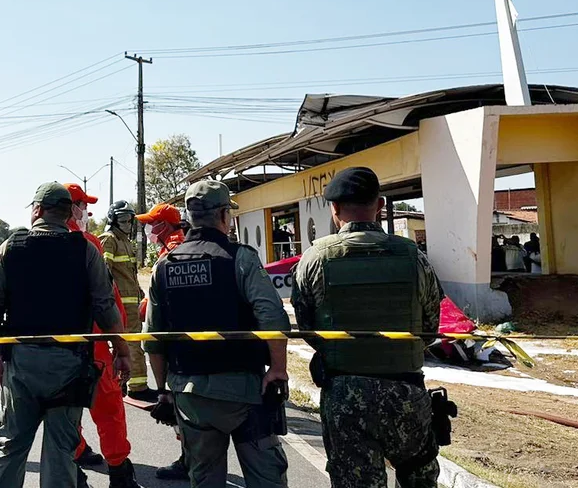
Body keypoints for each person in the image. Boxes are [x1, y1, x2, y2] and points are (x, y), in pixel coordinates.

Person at [291, 167, 443, 488]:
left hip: (345, 395)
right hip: (407, 392)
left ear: (334, 209)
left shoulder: (316, 258)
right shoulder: (414, 256)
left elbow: (307, 326)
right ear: (381, 205)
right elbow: (430, 327)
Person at [145, 180, 292, 488]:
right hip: (245, 391)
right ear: (225, 216)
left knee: (205, 479)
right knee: (267, 478)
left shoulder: (164, 267)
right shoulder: (241, 258)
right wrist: (278, 369)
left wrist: (164, 390)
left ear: (190, 216)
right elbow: (272, 316)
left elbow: (153, 339)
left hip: (190, 395)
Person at [0, 182, 132, 488]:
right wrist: (122, 352)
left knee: (11, 447)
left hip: (21, 366)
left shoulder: (10, 248)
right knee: (61, 452)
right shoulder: (86, 251)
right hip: (69, 367)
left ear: (37, 210)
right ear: (69, 213)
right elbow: (106, 308)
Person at [61, 184, 139, 488]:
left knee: (63, 411)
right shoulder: (88, 243)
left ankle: (75, 455)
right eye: (83, 206)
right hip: (93, 346)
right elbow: (111, 300)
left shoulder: (23, 245)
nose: (87, 212)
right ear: (71, 208)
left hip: (50, 349)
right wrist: (120, 346)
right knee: (108, 408)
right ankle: (119, 469)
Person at [134, 201, 192, 481]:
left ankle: (188, 460)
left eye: (150, 223)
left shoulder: (172, 251)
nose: (146, 229)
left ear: (163, 226)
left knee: (181, 405)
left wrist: (146, 307)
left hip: (175, 341)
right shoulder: (174, 246)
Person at [100, 200, 153, 401]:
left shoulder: (125, 241)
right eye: (123, 219)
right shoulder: (109, 239)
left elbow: (128, 273)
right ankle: (137, 387)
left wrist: (139, 291)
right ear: (113, 220)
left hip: (130, 302)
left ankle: (127, 383)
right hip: (120, 303)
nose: (127, 224)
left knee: (131, 344)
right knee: (130, 344)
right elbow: (104, 273)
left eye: (130, 219)